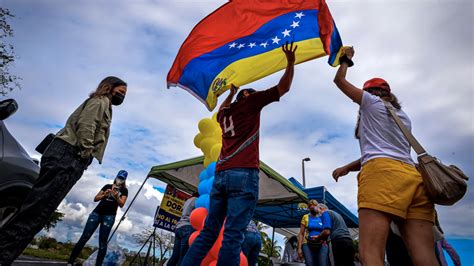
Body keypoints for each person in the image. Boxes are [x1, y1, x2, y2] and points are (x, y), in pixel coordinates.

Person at [180, 42, 297, 266]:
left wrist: (231, 93)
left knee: (208, 232)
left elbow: (222, 109)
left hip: (222, 175)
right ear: (250, 96)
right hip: (243, 173)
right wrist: (290, 63)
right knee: (233, 235)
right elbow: (284, 88)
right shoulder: (252, 103)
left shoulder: (226, 115)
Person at [0, 76, 127, 264]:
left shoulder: (103, 104)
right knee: (38, 211)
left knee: (35, 208)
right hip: (70, 156)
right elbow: (87, 125)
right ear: (109, 87)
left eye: (124, 94)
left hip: (65, 154)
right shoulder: (100, 102)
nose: (122, 96)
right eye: (121, 92)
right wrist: (86, 152)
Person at [331, 47, 437, 266]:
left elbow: (339, 81)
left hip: (382, 176)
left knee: (371, 252)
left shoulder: (371, 103)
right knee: (425, 256)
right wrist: (348, 167)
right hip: (413, 178)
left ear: (369, 93)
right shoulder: (403, 117)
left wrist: (346, 60)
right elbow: (389, 150)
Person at [68, 170, 129, 266]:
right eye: (119, 177)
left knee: (103, 242)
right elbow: (95, 198)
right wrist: (104, 194)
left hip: (109, 216)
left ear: (124, 180)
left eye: (122, 178)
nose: (119, 180)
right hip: (96, 213)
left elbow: (121, 204)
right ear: (116, 177)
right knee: (84, 237)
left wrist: (117, 196)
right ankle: (70, 262)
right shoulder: (107, 186)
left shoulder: (124, 190)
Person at [167, 192, 199, 266]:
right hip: (188, 227)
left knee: (175, 255)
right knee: (183, 256)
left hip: (179, 227)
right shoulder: (196, 200)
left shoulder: (187, 201)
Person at [297, 199, 330, 266]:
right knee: (309, 264)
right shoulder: (305, 217)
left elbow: (327, 230)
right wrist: (299, 248)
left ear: (317, 207)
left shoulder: (322, 216)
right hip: (307, 244)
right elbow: (301, 234)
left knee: (322, 264)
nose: (313, 209)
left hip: (321, 244)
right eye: (311, 208)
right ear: (308, 209)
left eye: (314, 207)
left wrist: (325, 240)